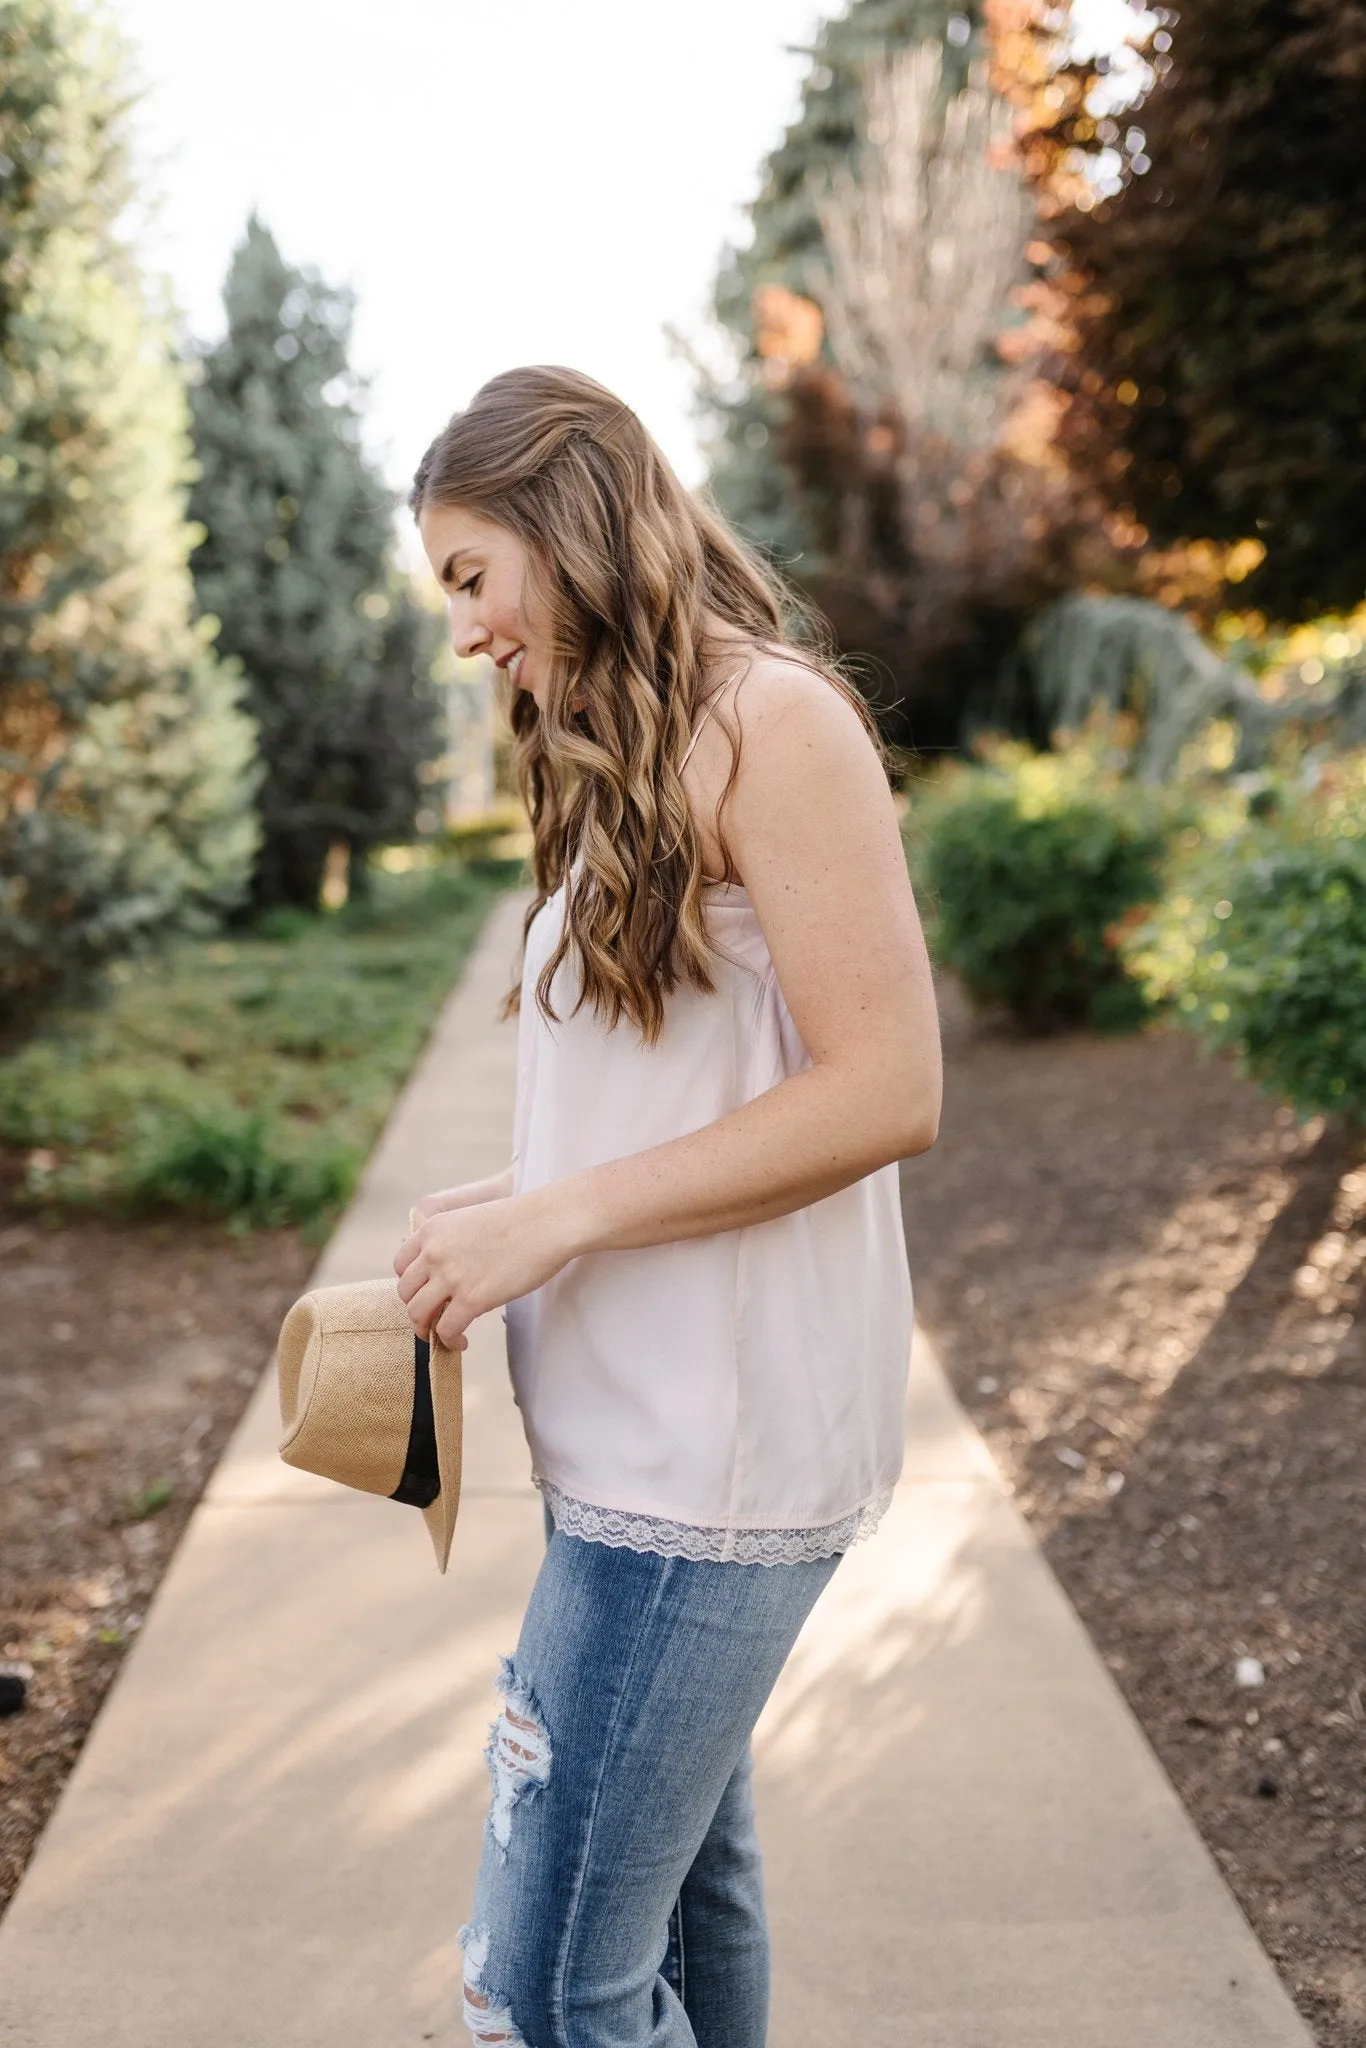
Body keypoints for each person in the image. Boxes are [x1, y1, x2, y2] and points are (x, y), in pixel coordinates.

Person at [395, 365, 941, 2048]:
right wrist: (504, 1204)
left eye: (473, 576)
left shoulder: (775, 721)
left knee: (544, 1985)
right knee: (684, 1930)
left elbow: (883, 1088)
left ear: (568, 523)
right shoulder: (626, 743)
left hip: (711, 1458)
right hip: (631, 1447)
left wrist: (552, 1226)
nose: (469, 631)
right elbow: (680, 1092)